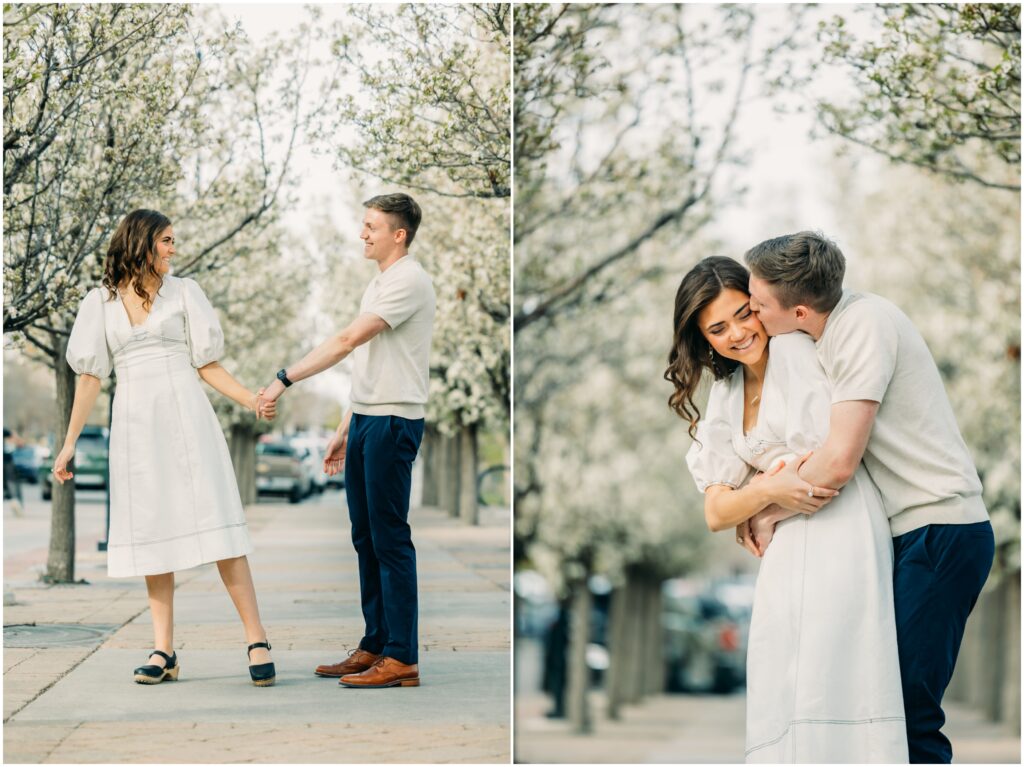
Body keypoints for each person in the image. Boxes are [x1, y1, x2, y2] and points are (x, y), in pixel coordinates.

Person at [743, 232, 995, 764]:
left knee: (908, 709)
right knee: (886, 702)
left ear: (801, 310)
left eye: (760, 305)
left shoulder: (863, 327)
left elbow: (838, 460)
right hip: (908, 535)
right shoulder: (828, 330)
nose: (754, 314)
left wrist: (765, 511)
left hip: (941, 532)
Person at [667, 256, 908, 763]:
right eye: (718, 328)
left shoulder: (795, 354)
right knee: (787, 674)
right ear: (703, 339)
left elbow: (828, 462)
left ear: (761, 306)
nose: (737, 333)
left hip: (838, 527)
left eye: (744, 314)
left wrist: (754, 497)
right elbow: (716, 512)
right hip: (783, 546)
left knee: (833, 670)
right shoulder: (727, 391)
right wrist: (766, 497)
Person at [55, 209, 278, 687]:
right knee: (153, 533)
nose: (174, 249)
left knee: (218, 526)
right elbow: (91, 377)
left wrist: (251, 399)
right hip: (136, 428)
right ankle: (163, 650)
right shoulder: (101, 303)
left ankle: (256, 638)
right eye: (167, 241)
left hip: (188, 420)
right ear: (142, 243)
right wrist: (70, 442)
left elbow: (208, 364)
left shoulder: (186, 292)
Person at [259, 192, 435, 689]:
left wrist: (283, 378)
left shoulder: (409, 281)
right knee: (365, 538)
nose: (363, 233)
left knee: (390, 538)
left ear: (398, 234)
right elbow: (369, 366)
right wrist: (344, 429)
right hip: (367, 421)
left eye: (372, 226)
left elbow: (346, 342)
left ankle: (402, 656)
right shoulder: (380, 284)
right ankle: (376, 643)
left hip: (394, 422)